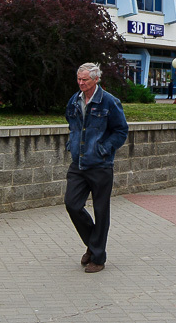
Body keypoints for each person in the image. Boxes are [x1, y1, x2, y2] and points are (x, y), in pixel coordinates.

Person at [64, 62, 129, 273]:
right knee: (72, 204)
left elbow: (120, 131)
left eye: (85, 80)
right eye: (79, 79)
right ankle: (93, 245)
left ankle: (98, 258)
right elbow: (72, 124)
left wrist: (104, 148)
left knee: (101, 211)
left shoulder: (109, 102)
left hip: (100, 165)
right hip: (79, 163)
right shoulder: (74, 100)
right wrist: (72, 143)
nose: (81, 83)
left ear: (96, 79)